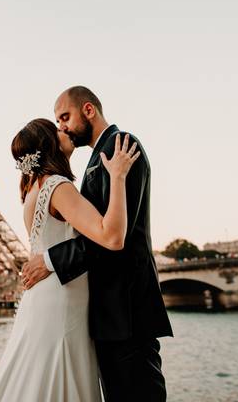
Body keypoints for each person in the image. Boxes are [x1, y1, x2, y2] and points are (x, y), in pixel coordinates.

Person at [20, 86, 173, 401]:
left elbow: (116, 237)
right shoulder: (95, 160)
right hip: (108, 313)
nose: (61, 126)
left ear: (88, 110)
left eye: (65, 117)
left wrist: (51, 260)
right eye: (56, 121)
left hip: (125, 309)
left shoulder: (121, 147)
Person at [0, 117, 140, 401]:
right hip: (62, 299)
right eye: (56, 128)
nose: (63, 129)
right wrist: (117, 176)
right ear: (48, 144)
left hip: (43, 297)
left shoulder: (32, 190)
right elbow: (112, 237)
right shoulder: (57, 185)